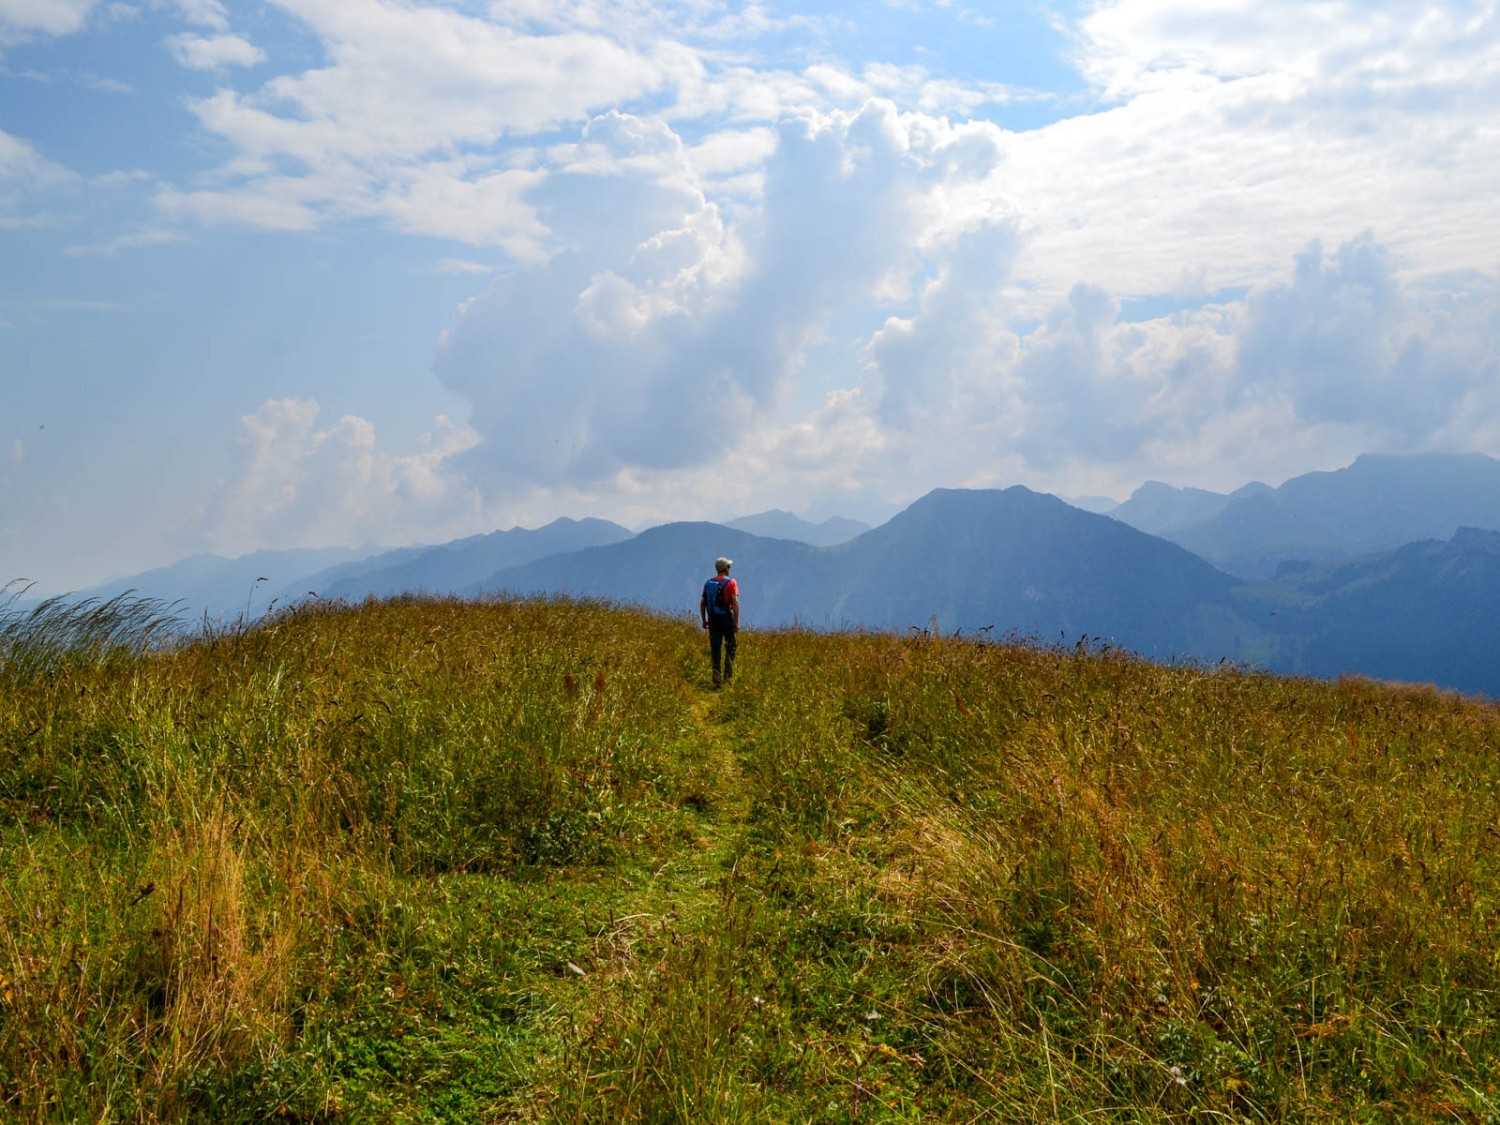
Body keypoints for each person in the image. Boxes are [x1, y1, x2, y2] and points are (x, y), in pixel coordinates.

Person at [700, 556, 739, 687]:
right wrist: (736, 622)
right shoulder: (731, 583)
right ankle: (727, 677)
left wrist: (704, 620)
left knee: (715, 648)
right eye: (729, 566)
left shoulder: (708, 583)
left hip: (713, 619)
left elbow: (703, 603)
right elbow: (734, 602)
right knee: (731, 646)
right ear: (725, 568)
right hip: (727, 618)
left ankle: (716, 676)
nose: (730, 569)